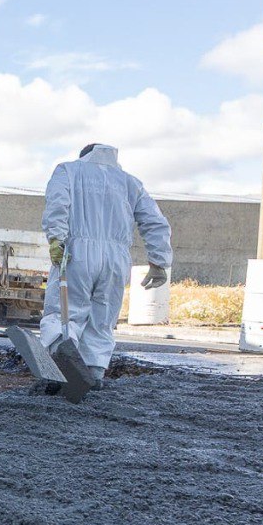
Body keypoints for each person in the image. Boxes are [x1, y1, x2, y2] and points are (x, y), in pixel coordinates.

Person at [40, 143, 173, 387]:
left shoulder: (68, 170)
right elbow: (155, 221)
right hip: (116, 260)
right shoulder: (130, 183)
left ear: (84, 157)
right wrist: (159, 261)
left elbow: (57, 203)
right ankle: (93, 376)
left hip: (77, 253)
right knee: (102, 320)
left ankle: (61, 371)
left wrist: (56, 237)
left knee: (65, 313)